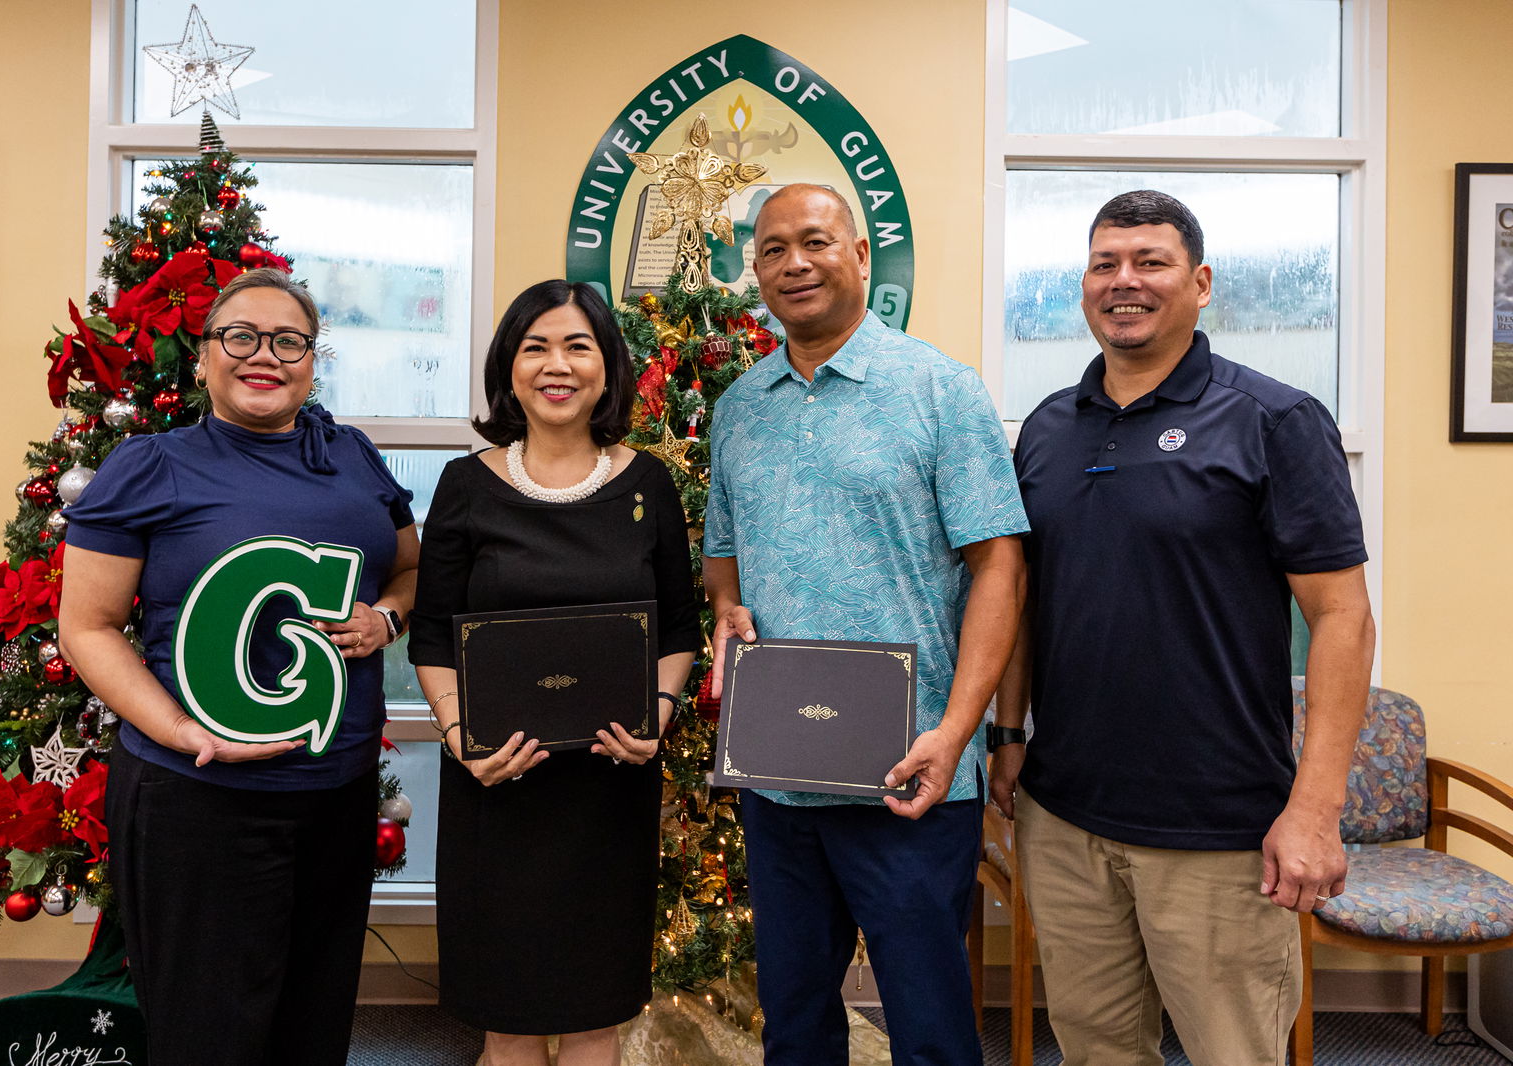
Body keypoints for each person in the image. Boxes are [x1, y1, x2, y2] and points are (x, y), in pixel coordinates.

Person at [991, 189, 1376, 1066]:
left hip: (1220, 831)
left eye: (1151, 262)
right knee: (1094, 1050)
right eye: (1105, 264)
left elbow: (1342, 616)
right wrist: (1009, 734)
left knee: (1232, 1053)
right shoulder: (1048, 428)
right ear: (1083, 285)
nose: (1125, 281)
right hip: (1066, 817)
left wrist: (1315, 812)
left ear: (1201, 284)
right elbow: (1023, 598)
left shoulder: (1273, 420)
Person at [58, 267, 420, 1066]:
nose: (266, 355)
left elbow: (409, 571)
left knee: (315, 1021)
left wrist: (385, 616)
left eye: (289, 340)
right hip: (199, 798)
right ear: (203, 356)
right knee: (207, 1033)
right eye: (241, 336)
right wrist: (185, 730)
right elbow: (87, 626)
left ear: (312, 360)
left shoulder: (351, 456)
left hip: (337, 793)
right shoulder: (150, 464)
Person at [703, 183, 1029, 1065]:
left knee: (930, 1031)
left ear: (860, 256)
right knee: (797, 1024)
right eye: (772, 250)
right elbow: (723, 554)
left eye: (814, 241)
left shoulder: (940, 391)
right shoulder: (740, 409)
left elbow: (999, 569)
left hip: (910, 777)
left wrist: (959, 732)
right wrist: (727, 605)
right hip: (781, 780)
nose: (793, 263)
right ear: (757, 272)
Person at [408, 279, 699, 1066]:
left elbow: (678, 629)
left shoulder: (648, 486)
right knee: (508, 1021)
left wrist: (657, 719)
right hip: (496, 788)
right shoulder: (466, 486)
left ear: (607, 367)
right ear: (509, 367)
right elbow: (432, 636)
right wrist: (462, 736)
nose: (556, 365)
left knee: (594, 1016)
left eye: (577, 345)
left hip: (608, 788)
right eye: (535, 347)